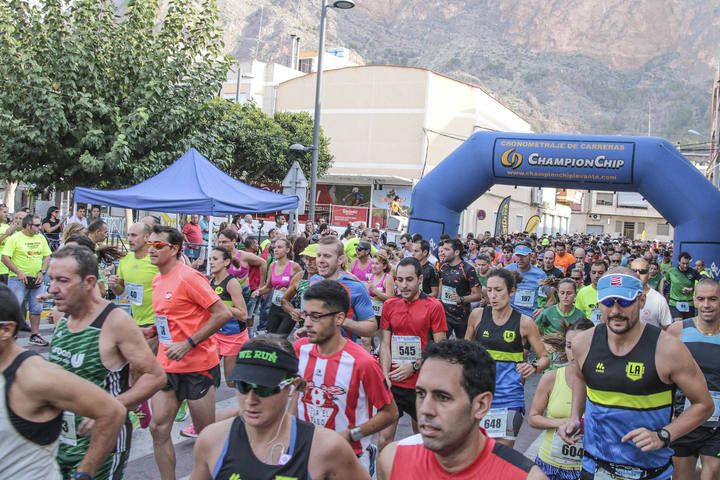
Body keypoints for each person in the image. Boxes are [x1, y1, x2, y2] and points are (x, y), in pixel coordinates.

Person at [559, 268, 714, 480]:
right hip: (595, 468)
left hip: (649, 472)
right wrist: (575, 416)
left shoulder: (667, 349)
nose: (615, 311)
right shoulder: (582, 343)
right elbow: (579, 376)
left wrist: (664, 435)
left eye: (624, 302)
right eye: (608, 302)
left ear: (641, 300)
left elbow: (704, 404)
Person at [47, 245, 166, 478]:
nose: (53, 289)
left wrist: (113, 407)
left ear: (89, 282)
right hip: (62, 442)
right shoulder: (64, 317)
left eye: (62, 280)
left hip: (103, 444)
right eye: (51, 280)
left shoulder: (115, 322)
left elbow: (155, 376)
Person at [190, 336, 370, 480]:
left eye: (264, 388)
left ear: (292, 385)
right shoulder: (212, 440)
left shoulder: (325, 448)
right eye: (243, 386)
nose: (250, 399)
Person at [0, 283, 128, 480]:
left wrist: (85, 474)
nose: (53, 288)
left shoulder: (34, 375)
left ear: (6, 330)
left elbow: (112, 411)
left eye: (62, 280)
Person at [377, 339, 546, 479]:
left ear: (481, 405)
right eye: (421, 394)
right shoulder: (392, 459)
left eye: (443, 397)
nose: (425, 409)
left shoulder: (525, 477)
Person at [146, 225, 232, 480]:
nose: (151, 248)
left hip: (198, 365)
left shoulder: (189, 277)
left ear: (174, 249)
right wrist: (151, 332)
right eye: (149, 243)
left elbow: (223, 314)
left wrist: (188, 343)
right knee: (157, 428)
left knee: (206, 436)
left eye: (158, 245)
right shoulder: (157, 279)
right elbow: (171, 319)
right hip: (167, 366)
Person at [295, 280, 398, 473]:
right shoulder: (300, 349)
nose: (307, 323)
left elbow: (390, 413)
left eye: (316, 316)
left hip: (349, 459)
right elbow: (295, 396)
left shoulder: (363, 362)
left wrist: (351, 435)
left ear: (339, 318)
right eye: (305, 315)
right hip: (306, 455)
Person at [465, 269, 549, 446]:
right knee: (476, 453)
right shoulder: (477, 316)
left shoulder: (524, 323)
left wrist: (533, 367)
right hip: (480, 395)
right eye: (489, 290)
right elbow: (464, 351)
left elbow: (544, 357)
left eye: (498, 290)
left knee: (501, 456)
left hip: (510, 398)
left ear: (512, 291)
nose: (493, 296)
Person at [378, 257, 447, 450]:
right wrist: (384, 375)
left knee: (422, 441)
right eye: (399, 280)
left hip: (421, 384)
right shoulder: (390, 305)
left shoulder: (434, 306)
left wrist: (414, 365)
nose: (403, 285)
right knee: (384, 440)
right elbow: (385, 344)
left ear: (420, 279)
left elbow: (441, 347)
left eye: (409, 280)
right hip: (394, 382)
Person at [666, 278, 720, 479]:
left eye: (713, 299)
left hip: (717, 425)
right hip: (684, 421)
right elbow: (665, 377)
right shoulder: (678, 331)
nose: (706, 305)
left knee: (712, 475)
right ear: (694, 301)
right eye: (701, 299)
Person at [528, 319, 594, 479]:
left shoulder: (606, 383)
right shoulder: (551, 378)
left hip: (584, 470)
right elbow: (533, 418)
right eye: (569, 346)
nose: (573, 352)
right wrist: (563, 422)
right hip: (548, 465)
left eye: (580, 345)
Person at [298, 236, 377, 338]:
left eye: (327, 256)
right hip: (315, 348)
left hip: (342, 351)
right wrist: (305, 329)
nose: (320, 260)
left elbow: (371, 329)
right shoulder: (314, 280)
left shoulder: (356, 287)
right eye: (318, 255)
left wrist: (340, 320)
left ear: (340, 260)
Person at [2, 214, 52, 346]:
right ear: (28, 226)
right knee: (14, 307)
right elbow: (5, 257)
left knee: (37, 308)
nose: (39, 228)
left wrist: (42, 271)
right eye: (36, 225)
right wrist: (18, 272)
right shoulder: (14, 238)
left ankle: (35, 334)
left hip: (36, 278)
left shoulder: (40, 238)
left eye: (40, 224)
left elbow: (47, 256)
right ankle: (10, 337)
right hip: (18, 279)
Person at [208, 247, 249, 387]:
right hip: (216, 334)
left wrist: (222, 308)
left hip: (234, 336)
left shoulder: (232, 283)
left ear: (226, 262)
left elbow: (243, 315)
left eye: (215, 259)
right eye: (210, 259)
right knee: (208, 375)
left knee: (231, 381)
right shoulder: (211, 282)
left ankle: (249, 400)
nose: (211, 262)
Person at [252, 238, 302, 335]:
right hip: (275, 306)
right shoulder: (272, 265)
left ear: (287, 250)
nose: (276, 250)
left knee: (280, 338)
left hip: (289, 307)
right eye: (275, 247)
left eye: (279, 247)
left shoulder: (294, 266)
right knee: (271, 337)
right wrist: (258, 292)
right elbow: (268, 287)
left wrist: (289, 291)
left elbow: (302, 286)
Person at [438, 238, 482, 339]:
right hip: (444, 316)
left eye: (447, 249)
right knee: (441, 348)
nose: (442, 252)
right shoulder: (442, 267)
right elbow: (441, 285)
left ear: (456, 252)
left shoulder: (467, 269)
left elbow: (478, 295)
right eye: (443, 249)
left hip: (461, 317)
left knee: (462, 350)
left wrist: (461, 299)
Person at [506, 244, 548, 318]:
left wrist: (543, 309)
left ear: (530, 256)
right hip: (510, 315)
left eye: (523, 256)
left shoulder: (540, 274)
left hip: (531, 316)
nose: (520, 259)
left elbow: (551, 299)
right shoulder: (507, 271)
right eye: (518, 255)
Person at [631, 257, 673, 329]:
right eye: (634, 271)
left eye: (642, 271)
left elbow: (667, 327)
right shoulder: (618, 297)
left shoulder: (659, 300)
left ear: (648, 274)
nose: (637, 274)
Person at [663, 251, 702, 321]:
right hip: (674, 303)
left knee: (688, 327)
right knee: (678, 324)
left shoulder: (693, 272)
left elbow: (703, 283)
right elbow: (663, 281)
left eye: (687, 263)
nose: (685, 266)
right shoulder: (671, 271)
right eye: (683, 263)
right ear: (679, 262)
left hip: (689, 303)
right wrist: (661, 294)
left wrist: (692, 289)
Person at [574, 261, 606, 325]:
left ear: (606, 273)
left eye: (600, 273)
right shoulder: (583, 292)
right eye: (593, 272)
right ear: (590, 274)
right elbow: (578, 316)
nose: (596, 276)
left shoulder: (613, 292)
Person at [367, 252, 395, 323]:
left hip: (384, 315)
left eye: (377, 264)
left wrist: (376, 291)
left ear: (384, 266)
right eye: (372, 263)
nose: (373, 266)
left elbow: (391, 298)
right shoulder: (372, 277)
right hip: (372, 314)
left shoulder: (388, 278)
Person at [0, 205, 18, 284]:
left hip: (7, 269)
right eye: (4, 212)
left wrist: (14, 231)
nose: (7, 214)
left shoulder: (8, 227)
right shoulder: (8, 230)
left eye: (8, 212)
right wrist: (7, 234)